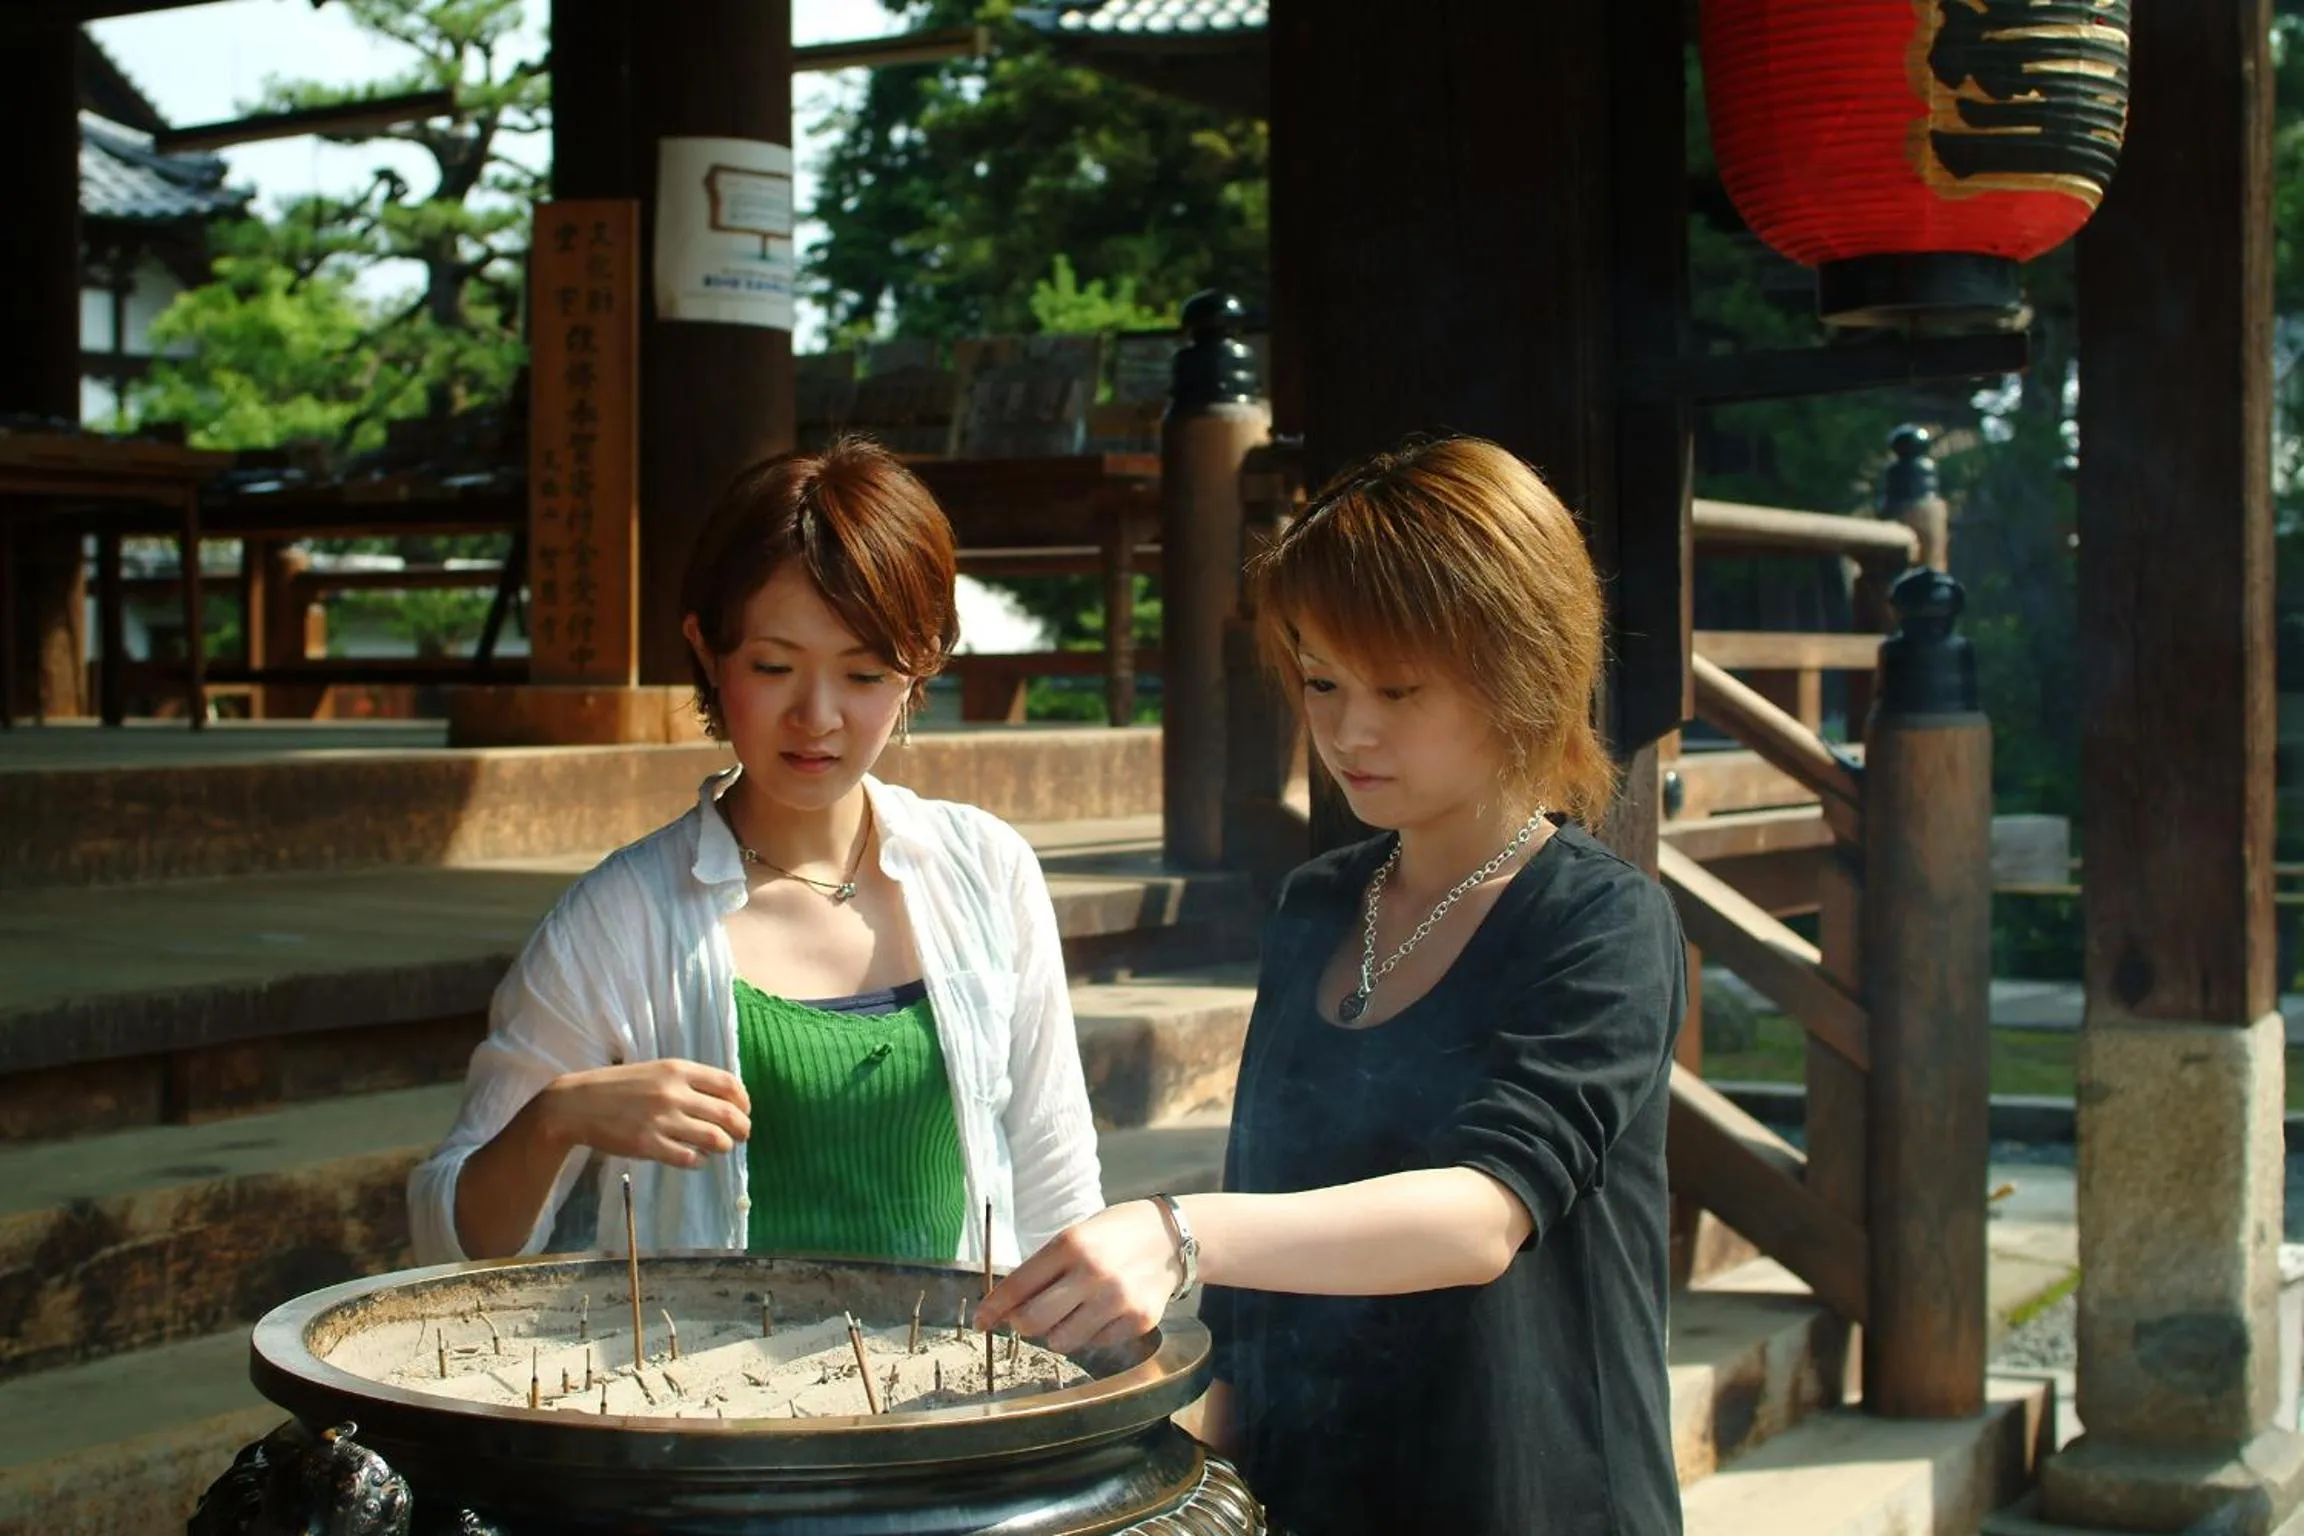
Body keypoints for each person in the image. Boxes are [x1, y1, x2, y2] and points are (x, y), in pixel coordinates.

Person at [978, 437, 1687, 1535]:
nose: (1350, 730)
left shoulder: (1600, 921)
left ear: (1521, 672)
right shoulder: (1320, 902)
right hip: (1314, 1492)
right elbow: (1271, 1201)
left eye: (1399, 689)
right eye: (1322, 682)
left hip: (1531, 1493)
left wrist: (1176, 1230)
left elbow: (1484, 1213)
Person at [407, 438, 1104, 1272]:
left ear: (923, 667)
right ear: (708, 651)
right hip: (709, 1394)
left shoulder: (987, 871)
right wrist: (556, 1117)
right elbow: (451, 1233)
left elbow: (1060, 1180)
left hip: (945, 1392)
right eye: (774, 666)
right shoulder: (626, 916)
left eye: (865, 673)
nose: (817, 716)